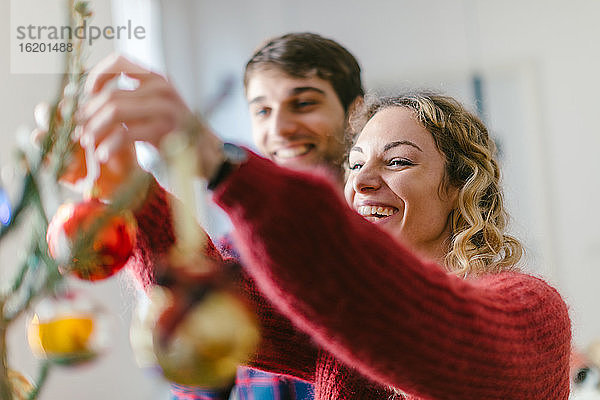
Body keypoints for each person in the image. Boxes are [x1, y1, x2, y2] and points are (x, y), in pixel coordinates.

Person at [78, 43, 572, 397]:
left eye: (398, 161)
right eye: (355, 164)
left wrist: (220, 163)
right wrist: (130, 189)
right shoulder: (341, 318)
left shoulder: (535, 313)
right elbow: (216, 299)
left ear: (462, 189)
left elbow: (420, 323)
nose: (362, 183)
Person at [75, 32, 363, 400]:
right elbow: (195, 383)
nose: (280, 129)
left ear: (355, 112)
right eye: (262, 110)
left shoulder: (392, 246)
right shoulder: (228, 256)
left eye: (303, 103)